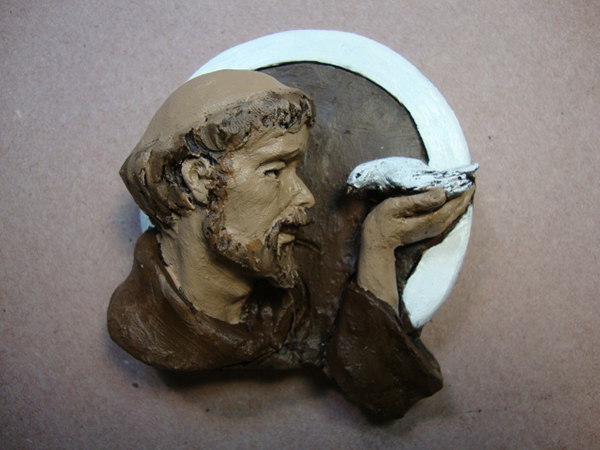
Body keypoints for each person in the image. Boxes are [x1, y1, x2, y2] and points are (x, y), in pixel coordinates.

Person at [108, 70, 474, 420]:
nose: (305, 196)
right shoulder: (149, 322)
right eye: (273, 171)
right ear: (199, 180)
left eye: (296, 170)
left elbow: (382, 385)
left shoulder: (289, 295)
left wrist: (380, 243)